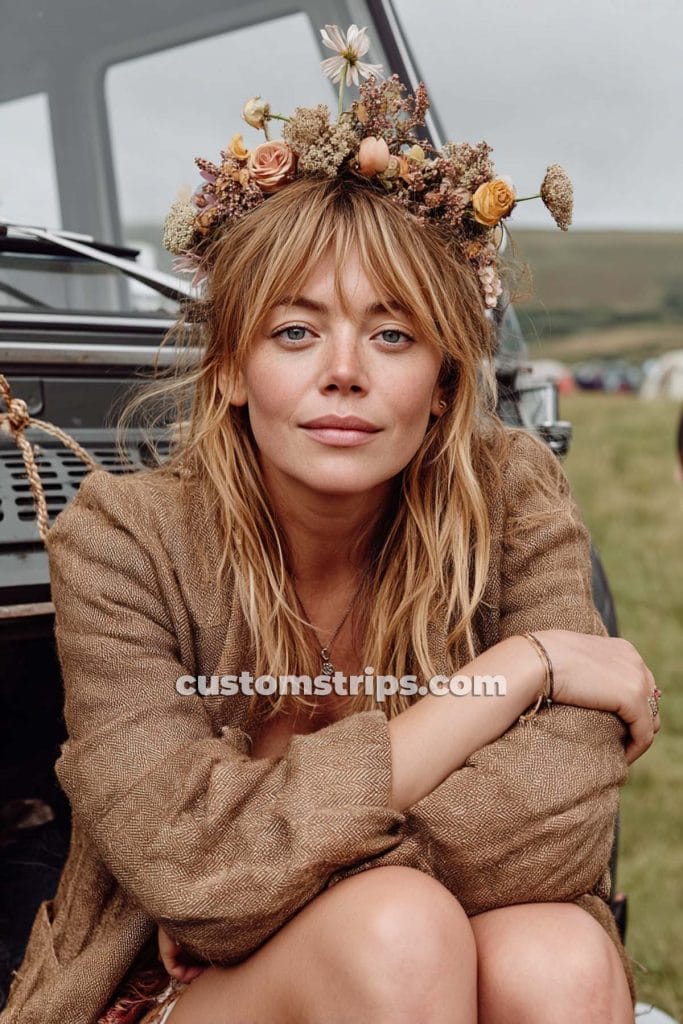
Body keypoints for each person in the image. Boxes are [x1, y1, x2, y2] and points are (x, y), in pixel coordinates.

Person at [0, 25, 661, 1024]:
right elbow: (186, 865)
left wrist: (252, 882)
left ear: (442, 380)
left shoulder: (508, 491)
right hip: (167, 994)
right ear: (229, 367)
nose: (342, 370)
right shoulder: (121, 538)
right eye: (294, 331)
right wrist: (521, 664)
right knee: (394, 928)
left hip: (386, 940)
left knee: (559, 957)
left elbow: (565, 824)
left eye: (391, 334)